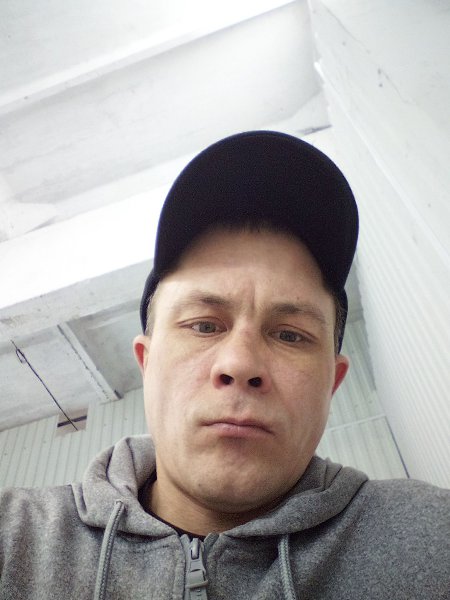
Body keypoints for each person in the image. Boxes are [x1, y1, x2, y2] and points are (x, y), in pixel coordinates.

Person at [0, 131, 448, 600]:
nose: (240, 363)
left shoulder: (431, 540)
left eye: (290, 334)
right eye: (204, 325)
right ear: (146, 363)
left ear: (331, 384)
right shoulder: (16, 542)